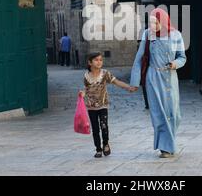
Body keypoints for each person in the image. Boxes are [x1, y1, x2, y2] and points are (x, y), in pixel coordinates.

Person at [130, 8, 186, 158]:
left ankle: (169, 142)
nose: (152, 26)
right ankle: (165, 147)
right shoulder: (148, 35)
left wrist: (175, 63)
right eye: (151, 22)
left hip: (170, 77)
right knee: (158, 113)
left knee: (174, 114)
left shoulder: (176, 35)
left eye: (155, 23)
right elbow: (139, 58)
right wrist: (135, 82)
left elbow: (182, 57)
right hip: (153, 77)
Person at [80, 52, 137, 158]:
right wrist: (82, 93)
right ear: (90, 62)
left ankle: (105, 143)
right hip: (91, 106)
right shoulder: (86, 76)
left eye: (101, 60)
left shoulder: (105, 73)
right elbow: (86, 89)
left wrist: (128, 87)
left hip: (103, 105)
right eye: (96, 60)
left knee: (104, 126)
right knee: (95, 129)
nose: (99, 62)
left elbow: (117, 82)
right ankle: (98, 149)